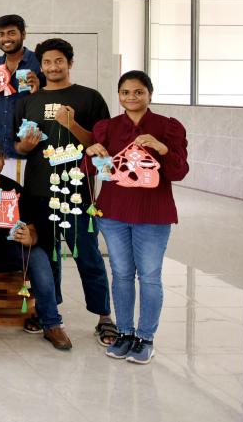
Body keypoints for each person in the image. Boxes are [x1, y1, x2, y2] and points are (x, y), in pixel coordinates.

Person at [14, 38, 116, 345]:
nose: (53, 67)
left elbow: (101, 146)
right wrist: (25, 146)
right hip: (38, 190)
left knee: (87, 254)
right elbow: (19, 146)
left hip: (76, 192)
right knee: (47, 257)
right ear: (41, 66)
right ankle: (49, 313)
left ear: (69, 63)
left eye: (59, 61)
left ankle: (104, 316)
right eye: (47, 62)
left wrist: (72, 125)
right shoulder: (29, 100)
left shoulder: (89, 98)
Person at [87, 70, 189, 364]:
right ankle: (124, 332)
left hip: (153, 215)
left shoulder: (167, 127)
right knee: (120, 274)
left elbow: (179, 172)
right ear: (119, 96)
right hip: (113, 214)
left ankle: (145, 337)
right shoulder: (107, 127)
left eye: (138, 92)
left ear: (149, 94)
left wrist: (162, 148)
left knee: (149, 276)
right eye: (125, 92)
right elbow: (91, 170)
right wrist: (91, 153)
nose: (131, 97)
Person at [0, 136, 72, 349]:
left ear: (3, 160)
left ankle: (51, 323)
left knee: (39, 256)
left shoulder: (14, 189)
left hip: (9, 248)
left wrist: (29, 237)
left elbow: (31, 228)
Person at [0, 14, 45, 183]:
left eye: (11, 33)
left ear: (23, 34)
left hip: (29, 149)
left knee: (27, 196)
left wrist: (38, 88)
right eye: (1, 34)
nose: (6, 39)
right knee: (3, 196)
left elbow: (50, 102)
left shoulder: (38, 62)